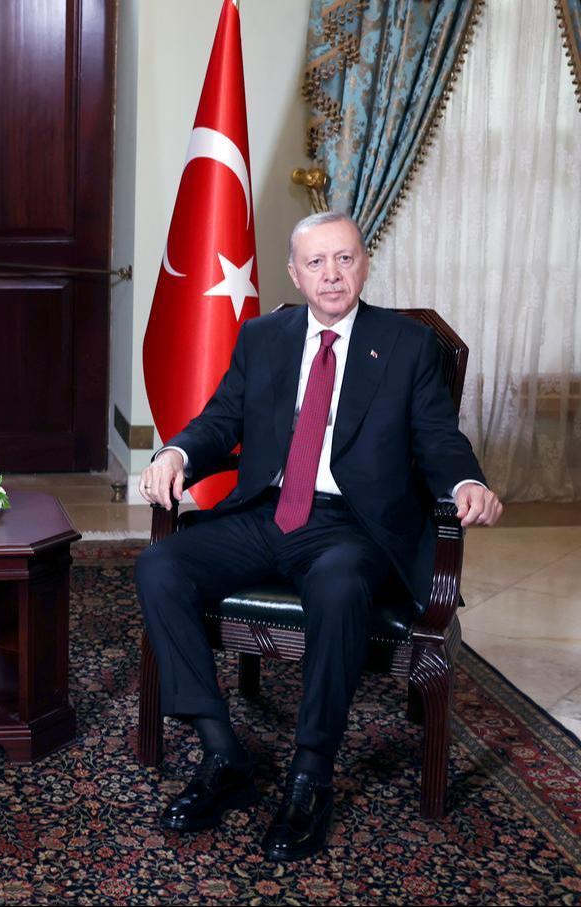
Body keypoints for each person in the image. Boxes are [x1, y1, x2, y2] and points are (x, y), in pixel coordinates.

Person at [135, 211, 502, 862]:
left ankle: (311, 775)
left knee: (339, 586)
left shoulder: (407, 345)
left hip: (351, 525)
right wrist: (177, 453)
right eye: (317, 262)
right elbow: (220, 420)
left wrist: (466, 482)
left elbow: (439, 441)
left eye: (345, 258)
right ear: (294, 273)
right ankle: (223, 756)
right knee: (161, 566)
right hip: (267, 511)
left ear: (364, 263)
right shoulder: (263, 336)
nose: (332, 274)